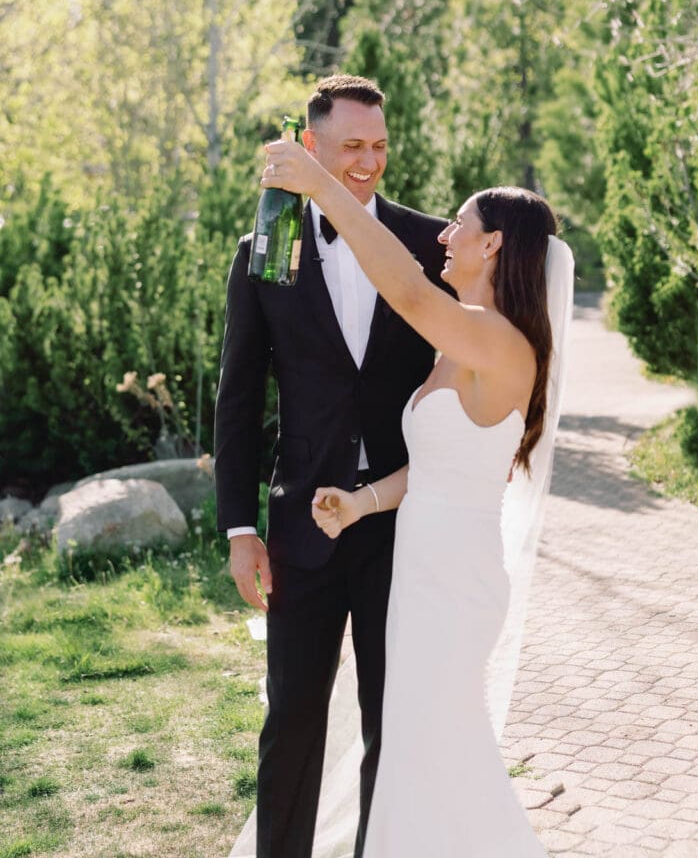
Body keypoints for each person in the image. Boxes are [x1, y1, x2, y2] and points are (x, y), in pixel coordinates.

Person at [260, 137, 573, 856]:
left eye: (460, 224)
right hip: (422, 575)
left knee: (442, 751)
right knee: (412, 749)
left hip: (455, 584)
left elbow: (402, 289)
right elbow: (439, 466)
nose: (445, 234)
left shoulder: (497, 343)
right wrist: (359, 503)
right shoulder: (461, 345)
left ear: (492, 245)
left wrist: (320, 184)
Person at [214, 74, 450, 858]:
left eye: (380, 145)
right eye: (351, 146)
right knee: (292, 719)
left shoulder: (430, 242)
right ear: (308, 147)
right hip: (299, 528)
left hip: (403, 524)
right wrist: (240, 529)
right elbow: (237, 399)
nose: (368, 161)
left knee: (395, 719)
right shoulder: (263, 252)